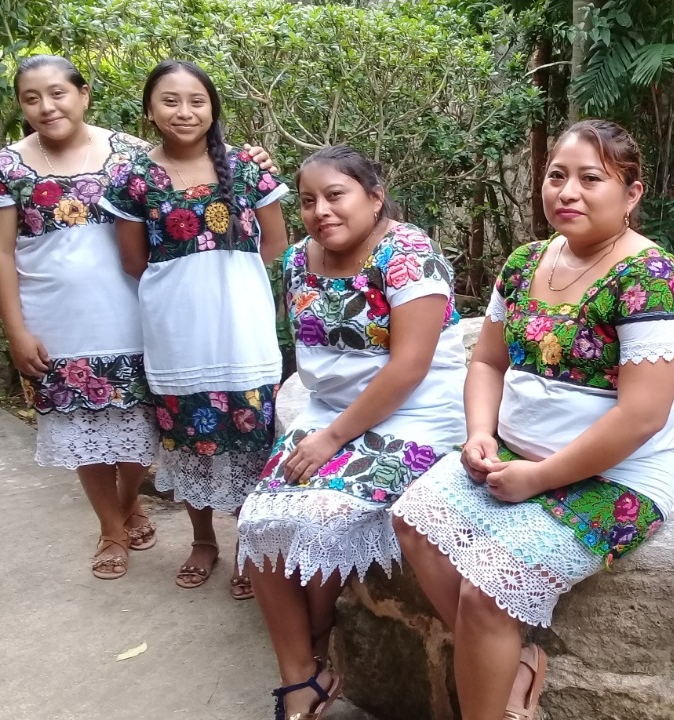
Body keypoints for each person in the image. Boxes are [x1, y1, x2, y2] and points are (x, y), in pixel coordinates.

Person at [391, 119, 674, 720]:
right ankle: (512, 665)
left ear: (632, 194)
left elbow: (641, 417)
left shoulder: (652, 279)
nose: (568, 191)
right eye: (557, 175)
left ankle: (492, 691)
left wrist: (540, 478)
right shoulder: (524, 262)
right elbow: (486, 360)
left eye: (592, 179)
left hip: (615, 478)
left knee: (487, 593)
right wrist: (481, 433)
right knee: (412, 522)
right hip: (509, 456)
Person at [238, 144, 468, 720]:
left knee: (323, 515)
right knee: (259, 524)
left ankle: (316, 631)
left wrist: (332, 440)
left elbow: (408, 368)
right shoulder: (298, 259)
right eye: (309, 200)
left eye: (336, 195)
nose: (321, 211)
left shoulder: (411, 256)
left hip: (417, 411)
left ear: (375, 195)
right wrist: (325, 430)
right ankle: (299, 675)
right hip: (327, 412)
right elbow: (316, 355)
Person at [101, 59, 288, 598]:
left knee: (255, 442)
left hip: (244, 331)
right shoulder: (134, 177)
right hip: (178, 335)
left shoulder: (249, 171)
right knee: (190, 441)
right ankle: (203, 540)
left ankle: (250, 545)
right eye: (170, 100)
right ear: (149, 110)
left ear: (213, 108)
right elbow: (135, 262)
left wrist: (231, 283)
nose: (185, 111)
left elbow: (275, 245)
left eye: (196, 101)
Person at [0, 56, 160, 580]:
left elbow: (191, 188)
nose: (46, 106)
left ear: (83, 94)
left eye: (57, 93)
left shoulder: (131, 154)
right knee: (82, 428)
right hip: (56, 324)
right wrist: (16, 330)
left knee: (140, 426)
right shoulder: (7, 167)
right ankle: (110, 527)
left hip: (134, 316)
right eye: (31, 98)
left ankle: (129, 502)